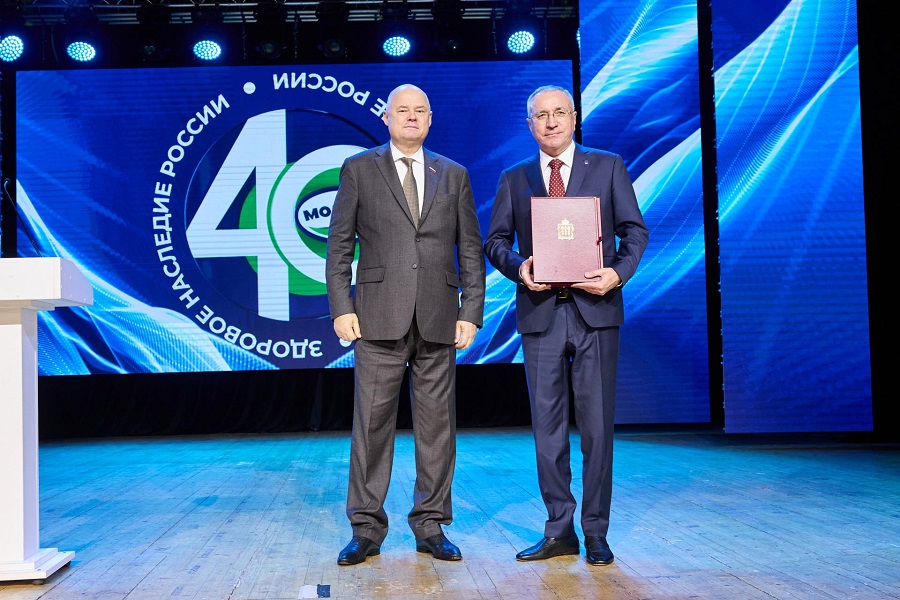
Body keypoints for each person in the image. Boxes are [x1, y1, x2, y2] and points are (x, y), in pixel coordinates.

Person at [483, 85, 648, 566]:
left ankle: (596, 531)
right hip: (541, 315)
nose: (551, 121)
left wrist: (617, 273)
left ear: (574, 118)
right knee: (548, 432)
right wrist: (519, 268)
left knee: (596, 430)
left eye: (559, 113)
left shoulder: (608, 166)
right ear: (529, 124)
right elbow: (495, 241)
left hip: (596, 311)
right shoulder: (514, 177)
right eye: (541, 115)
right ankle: (560, 530)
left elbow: (634, 230)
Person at [326, 83, 486, 566]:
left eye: (420, 110)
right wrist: (341, 307)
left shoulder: (453, 173)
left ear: (430, 119)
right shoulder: (359, 168)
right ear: (387, 117)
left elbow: (470, 248)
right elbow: (339, 245)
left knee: (437, 427)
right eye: (403, 110)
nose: (411, 117)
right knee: (371, 426)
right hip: (376, 316)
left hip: (439, 316)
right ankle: (366, 529)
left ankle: (431, 526)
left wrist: (471, 311)